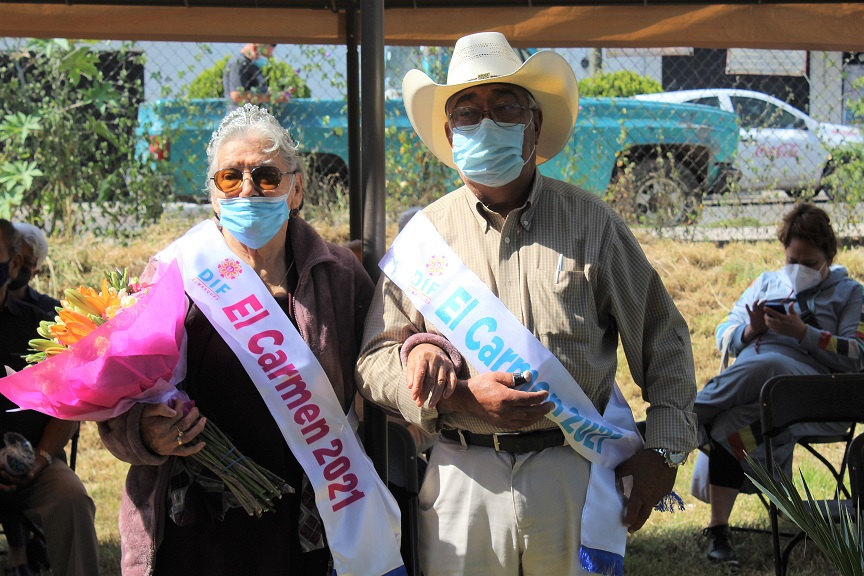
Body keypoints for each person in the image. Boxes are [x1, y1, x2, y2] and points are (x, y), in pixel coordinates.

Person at [356, 32, 698, 576]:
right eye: (467, 112)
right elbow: (374, 361)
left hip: (573, 473)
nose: (485, 122)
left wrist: (664, 450)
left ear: (534, 125)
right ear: (450, 133)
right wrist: (458, 395)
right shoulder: (425, 238)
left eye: (505, 107)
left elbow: (664, 339)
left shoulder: (592, 224)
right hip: (460, 475)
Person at [98, 104, 387, 576]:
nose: (249, 188)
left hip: (309, 512)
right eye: (231, 178)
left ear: (297, 190)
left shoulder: (339, 275)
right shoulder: (175, 272)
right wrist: (147, 433)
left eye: (267, 175)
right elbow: (118, 400)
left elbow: (380, 364)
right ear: (213, 195)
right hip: (196, 518)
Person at [693, 202, 864, 569]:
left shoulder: (851, 293)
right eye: (792, 259)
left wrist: (806, 335)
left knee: (769, 363)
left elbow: (858, 353)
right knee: (729, 428)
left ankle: (686, 421)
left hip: (818, 395)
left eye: (809, 263)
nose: (798, 270)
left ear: (829, 256)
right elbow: (723, 332)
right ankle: (719, 532)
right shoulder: (767, 283)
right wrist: (752, 329)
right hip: (764, 398)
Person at [0, 219, 99, 576]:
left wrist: (41, 459)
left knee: (72, 499)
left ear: (14, 265)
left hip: (35, 466)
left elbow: (69, 404)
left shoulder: (42, 328)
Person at [8, 222, 60, 314]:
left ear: (36, 272)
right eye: (13, 258)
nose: (16, 266)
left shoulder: (49, 309)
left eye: (26, 262)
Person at [222, 43, 286, 110]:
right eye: (265, 56)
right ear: (255, 49)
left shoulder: (252, 64)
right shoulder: (239, 64)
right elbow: (237, 96)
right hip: (242, 117)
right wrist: (268, 97)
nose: (266, 60)